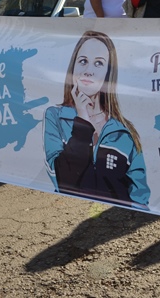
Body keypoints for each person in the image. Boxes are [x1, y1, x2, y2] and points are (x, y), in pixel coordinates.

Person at [44, 30, 150, 207]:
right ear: (73, 67)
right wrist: (82, 121)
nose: (88, 71)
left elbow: (140, 196)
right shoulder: (55, 117)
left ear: (108, 73)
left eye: (99, 63)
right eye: (83, 61)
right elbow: (60, 179)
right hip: (69, 215)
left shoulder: (124, 132)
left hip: (113, 220)